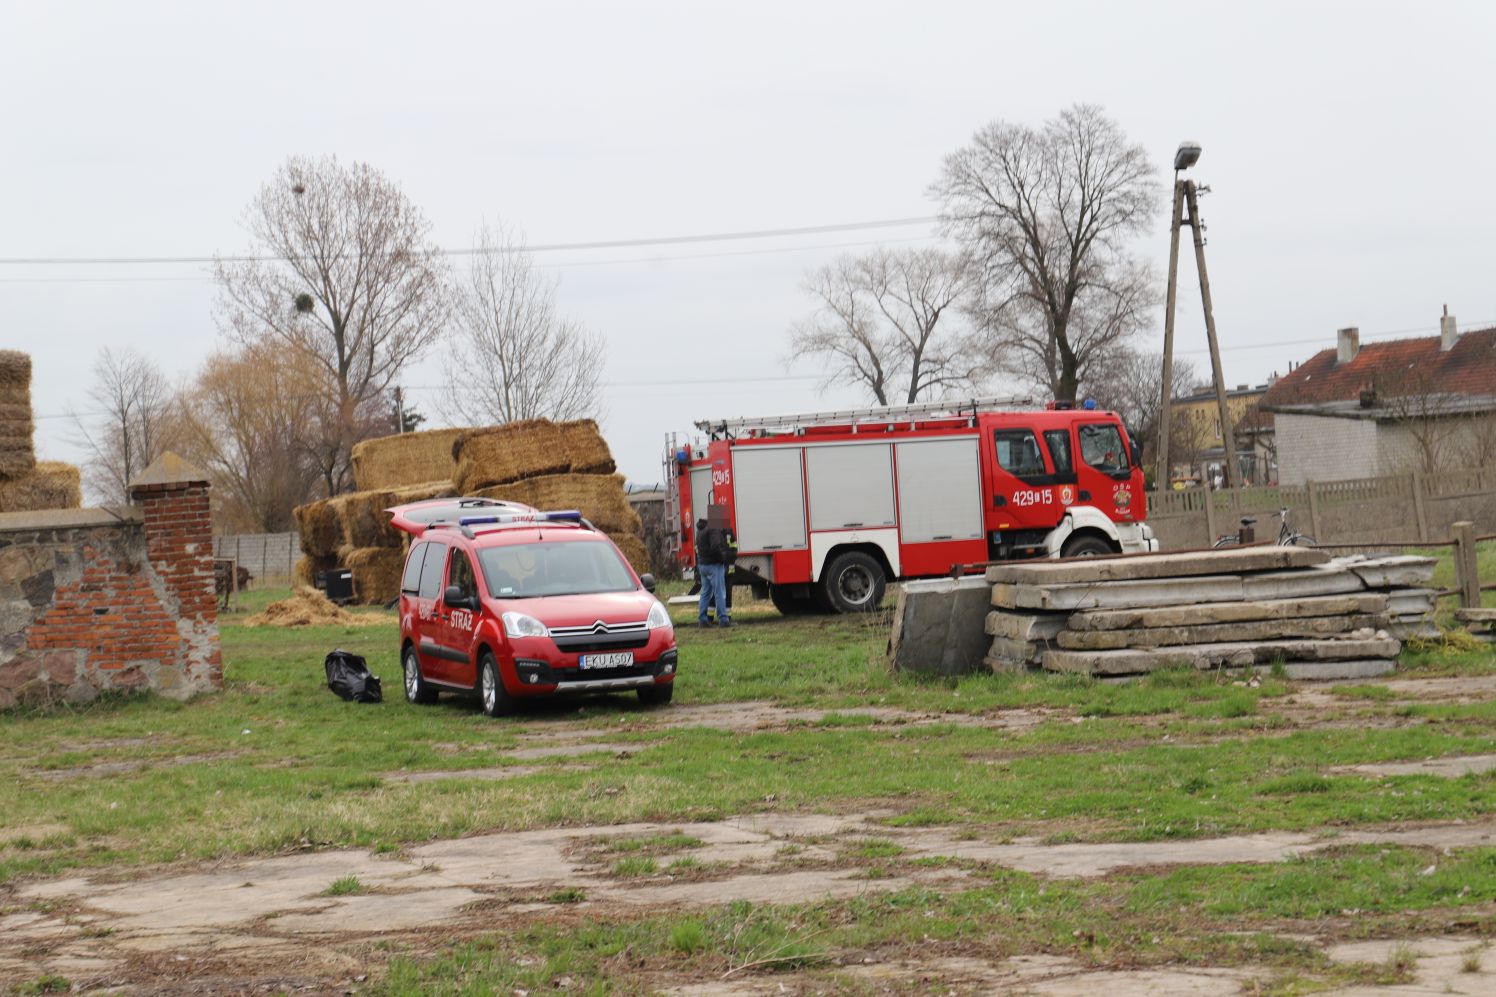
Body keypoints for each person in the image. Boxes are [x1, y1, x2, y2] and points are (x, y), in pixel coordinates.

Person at [696, 506, 736, 628]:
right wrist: (723, 558)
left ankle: (702, 620)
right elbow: (716, 547)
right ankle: (723, 619)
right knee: (720, 592)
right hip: (714, 565)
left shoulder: (700, 530)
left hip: (702, 565)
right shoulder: (714, 529)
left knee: (705, 593)